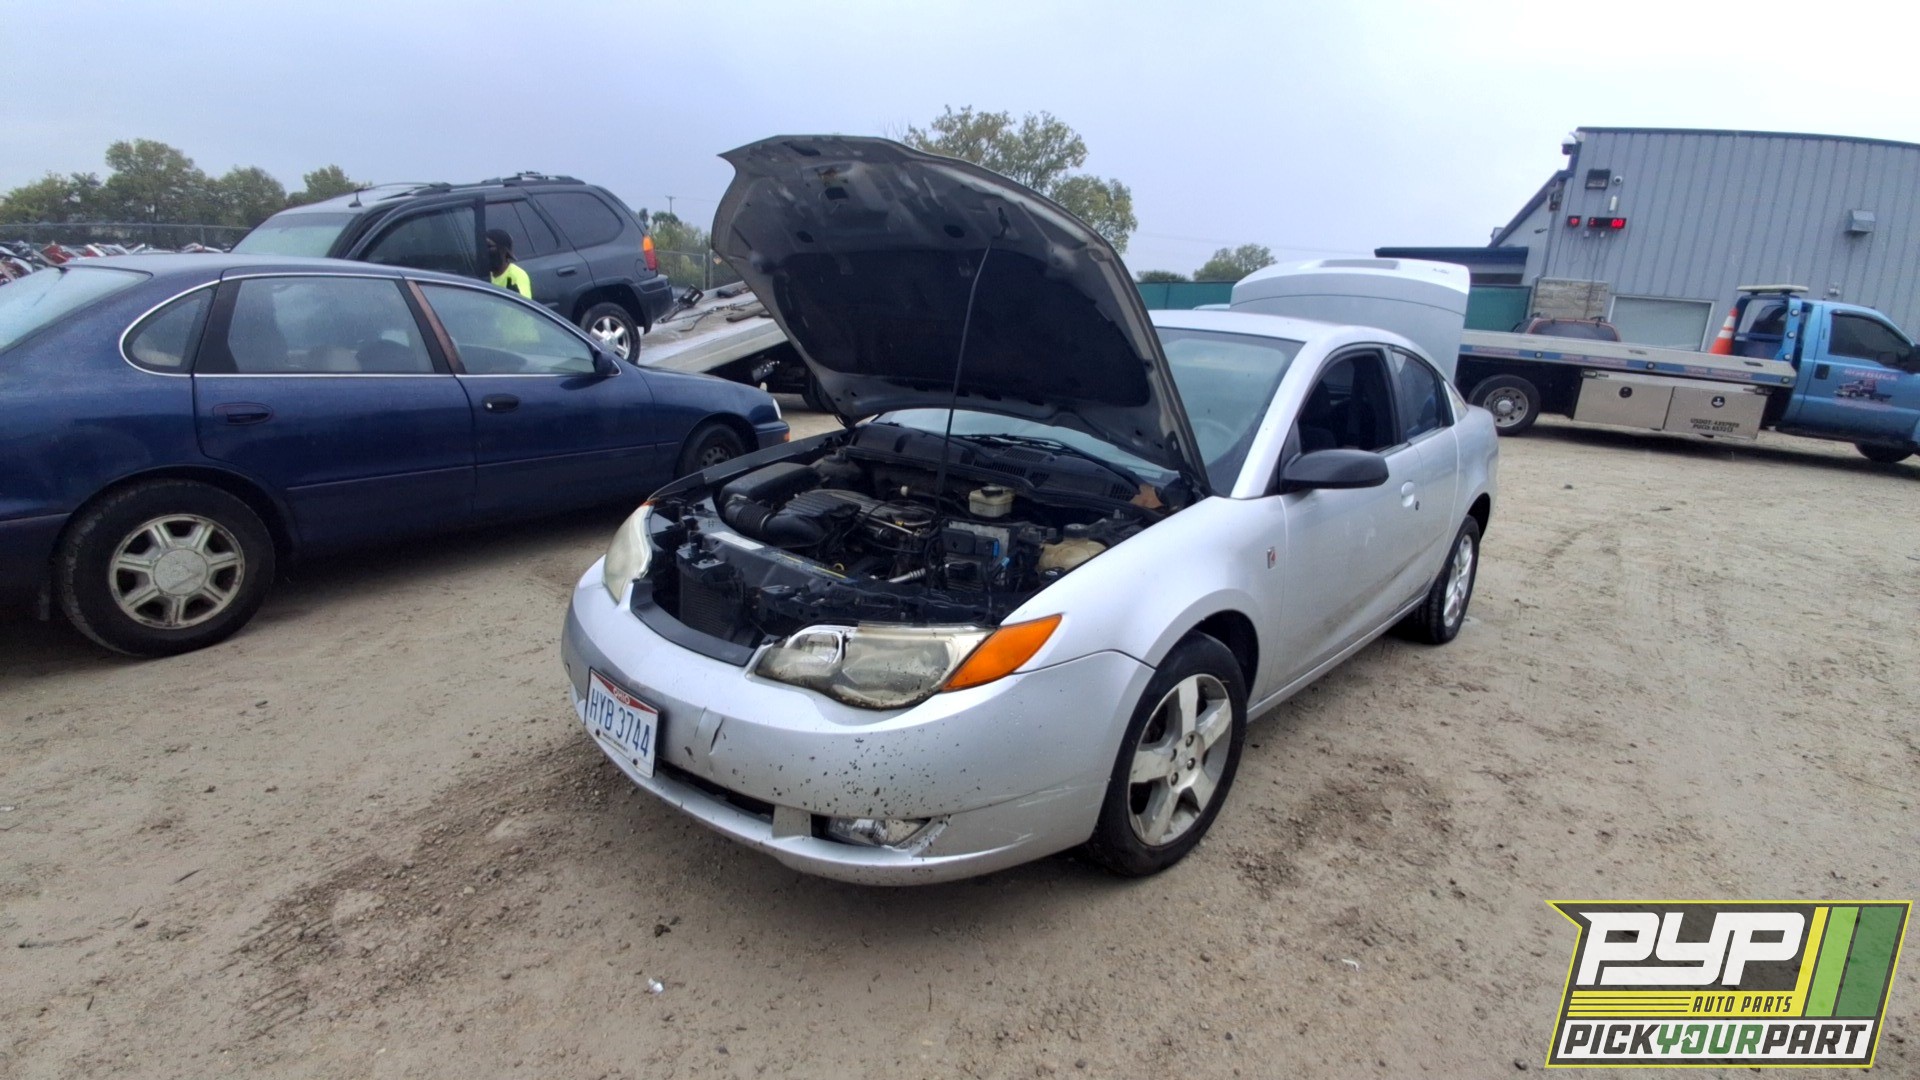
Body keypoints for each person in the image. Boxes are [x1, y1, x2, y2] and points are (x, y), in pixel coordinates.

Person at [485, 229, 532, 299]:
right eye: (482, 247)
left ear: (504, 251)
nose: (485, 251)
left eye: (489, 247)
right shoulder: (484, 276)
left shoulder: (517, 276)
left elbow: (523, 306)